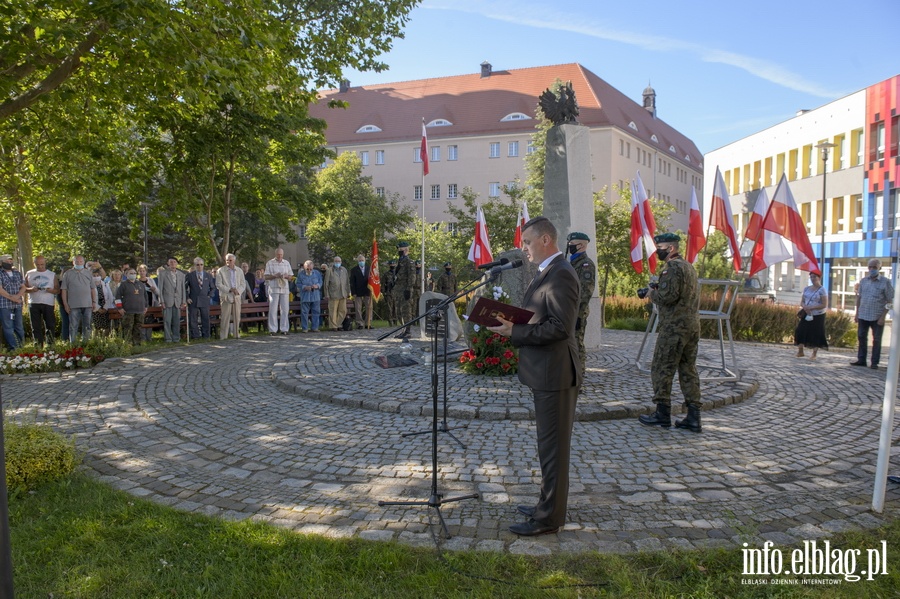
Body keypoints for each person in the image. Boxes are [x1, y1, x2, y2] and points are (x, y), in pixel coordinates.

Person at [487, 216, 581, 536]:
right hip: (545, 373)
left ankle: (548, 519)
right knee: (547, 448)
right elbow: (542, 316)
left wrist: (516, 330)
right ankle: (547, 504)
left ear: (545, 240)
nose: (523, 248)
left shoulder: (562, 274)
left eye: (526, 242)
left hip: (555, 375)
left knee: (553, 450)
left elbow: (559, 327)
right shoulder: (548, 271)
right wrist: (512, 322)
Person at [638, 232, 702, 433]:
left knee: (661, 368)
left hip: (674, 327)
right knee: (688, 370)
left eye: (661, 248)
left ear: (671, 248)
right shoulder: (688, 266)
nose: (658, 251)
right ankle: (693, 417)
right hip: (691, 326)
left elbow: (668, 297)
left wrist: (650, 293)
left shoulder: (672, 268)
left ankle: (662, 413)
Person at [851, 258, 894, 369]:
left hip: (877, 316)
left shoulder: (886, 282)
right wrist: (857, 313)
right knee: (861, 337)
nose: (872, 269)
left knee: (877, 340)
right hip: (863, 314)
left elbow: (890, 301)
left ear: (879, 267)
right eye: (870, 267)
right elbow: (859, 298)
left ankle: (874, 362)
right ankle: (861, 360)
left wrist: (883, 316)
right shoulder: (864, 281)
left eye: (874, 267)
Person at [566, 231, 596, 376]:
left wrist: (576, 315)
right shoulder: (572, 263)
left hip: (576, 313)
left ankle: (578, 379)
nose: (569, 247)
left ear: (582, 245)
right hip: (568, 312)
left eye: (572, 244)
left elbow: (585, 294)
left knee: (577, 346)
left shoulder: (586, 265)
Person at [61, 255, 97, 344]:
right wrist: (65, 304)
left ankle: (86, 344)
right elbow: (64, 290)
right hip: (73, 305)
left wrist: (94, 302)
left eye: (81, 262)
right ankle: (73, 345)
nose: (79, 263)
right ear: (73, 262)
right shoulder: (68, 274)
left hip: (87, 304)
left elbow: (93, 289)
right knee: (73, 326)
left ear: (84, 262)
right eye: (77, 262)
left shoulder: (88, 273)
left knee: (87, 326)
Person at [24, 255, 59, 345]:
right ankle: (38, 345)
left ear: (45, 263)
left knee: (50, 325)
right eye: (38, 264)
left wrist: (50, 290)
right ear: (34, 263)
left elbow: (57, 290)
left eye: (42, 264)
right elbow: (24, 289)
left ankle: (50, 345)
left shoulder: (51, 274)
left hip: (48, 303)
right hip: (34, 302)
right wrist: (31, 289)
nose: (40, 266)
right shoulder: (29, 273)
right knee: (35, 326)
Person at [794, 272, 828, 360]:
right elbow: (802, 301)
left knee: (816, 333)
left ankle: (814, 353)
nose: (813, 279)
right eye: (811, 277)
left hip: (818, 314)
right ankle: (800, 350)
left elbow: (824, 304)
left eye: (815, 277)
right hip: (807, 313)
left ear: (819, 278)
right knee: (800, 330)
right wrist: (805, 306)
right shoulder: (807, 289)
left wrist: (812, 307)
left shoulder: (822, 290)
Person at [216, 253, 247, 340]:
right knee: (225, 317)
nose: (228, 262)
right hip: (226, 296)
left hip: (236, 296)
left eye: (230, 260)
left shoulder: (239, 271)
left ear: (234, 261)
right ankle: (223, 336)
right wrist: (229, 289)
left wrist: (238, 291)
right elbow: (218, 284)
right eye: (227, 260)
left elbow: (243, 284)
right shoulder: (220, 271)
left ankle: (236, 334)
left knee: (237, 316)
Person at [264, 248, 293, 335]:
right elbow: (266, 277)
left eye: (281, 255)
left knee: (285, 309)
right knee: (273, 309)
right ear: (275, 254)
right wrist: (274, 276)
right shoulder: (270, 263)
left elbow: (291, 277)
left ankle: (284, 329)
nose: (279, 256)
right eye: (278, 255)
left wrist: (286, 276)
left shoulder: (286, 263)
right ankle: (273, 330)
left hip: (284, 289)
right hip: (274, 289)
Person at [157, 257, 187, 343]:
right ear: (168, 263)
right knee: (167, 321)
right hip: (167, 301)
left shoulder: (181, 274)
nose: (173, 263)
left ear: (177, 263)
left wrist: (183, 301)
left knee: (176, 321)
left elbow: (183, 289)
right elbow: (160, 289)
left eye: (174, 262)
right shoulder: (162, 274)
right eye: (171, 262)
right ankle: (168, 338)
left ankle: (176, 338)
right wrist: (161, 301)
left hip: (177, 301)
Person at [0, 253, 26, 349]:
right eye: (7, 261)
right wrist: (12, 298)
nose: (9, 262)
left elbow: (23, 287)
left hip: (18, 305)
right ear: (1, 262)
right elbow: (0, 290)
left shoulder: (17, 273)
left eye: (10, 260)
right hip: (5, 305)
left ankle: (21, 347)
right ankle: (14, 348)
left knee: (19, 327)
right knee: (8, 328)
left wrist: (18, 296)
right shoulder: (0, 273)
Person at [115, 268, 148, 345]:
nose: (133, 275)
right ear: (126, 275)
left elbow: (145, 296)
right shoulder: (123, 284)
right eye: (130, 273)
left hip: (140, 310)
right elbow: (117, 297)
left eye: (134, 273)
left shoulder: (140, 284)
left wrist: (146, 306)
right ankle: (127, 344)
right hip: (128, 311)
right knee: (128, 328)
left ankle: (137, 343)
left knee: (138, 328)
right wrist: (120, 308)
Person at [186, 257, 215, 339]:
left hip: (204, 299)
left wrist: (209, 295)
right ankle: (195, 336)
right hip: (193, 300)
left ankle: (206, 335)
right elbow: (185, 288)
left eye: (201, 265)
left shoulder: (208, 275)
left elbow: (213, 287)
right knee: (193, 319)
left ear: (203, 265)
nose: (199, 266)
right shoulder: (190, 275)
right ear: (195, 266)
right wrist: (187, 297)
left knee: (205, 318)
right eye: (197, 265)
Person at [391, 242, 415, 338]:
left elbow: (412, 277)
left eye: (400, 249)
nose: (398, 251)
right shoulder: (400, 262)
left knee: (406, 311)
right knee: (399, 311)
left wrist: (408, 289)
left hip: (405, 290)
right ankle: (403, 330)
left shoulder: (409, 262)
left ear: (405, 250)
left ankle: (408, 331)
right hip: (398, 290)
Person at [324, 256, 350, 331]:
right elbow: (326, 284)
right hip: (333, 294)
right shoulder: (329, 270)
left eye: (339, 261)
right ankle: (333, 326)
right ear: (333, 262)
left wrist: (348, 292)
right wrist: (327, 294)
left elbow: (347, 282)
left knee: (343, 310)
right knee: (333, 310)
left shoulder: (344, 270)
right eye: (336, 261)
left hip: (343, 293)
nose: (337, 263)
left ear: (341, 262)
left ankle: (338, 324)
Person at [297, 260, 322, 332]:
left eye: (310, 269)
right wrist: (304, 287)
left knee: (316, 312)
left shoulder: (317, 273)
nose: (309, 270)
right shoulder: (300, 274)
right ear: (304, 268)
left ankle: (315, 327)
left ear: (313, 267)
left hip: (315, 295)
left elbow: (320, 282)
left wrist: (317, 286)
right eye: (307, 269)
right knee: (304, 312)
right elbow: (298, 283)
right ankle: (305, 328)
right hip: (305, 296)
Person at [349, 254, 373, 329]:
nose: (361, 262)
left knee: (369, 307)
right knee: (358, 308)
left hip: (367, 290)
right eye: (360, 260)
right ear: (358, 261)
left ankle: (368, 323)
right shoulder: (354, 270)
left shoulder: (369, 268)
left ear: (365, 261)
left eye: (362, 260)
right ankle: (359, 323)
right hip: (357, 291)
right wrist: (353, 293)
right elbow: (352, 282)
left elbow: (372, 279)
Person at [136, 264, 159, 342]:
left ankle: (149, 337)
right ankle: (143, 338)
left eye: (143, 271)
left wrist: (154, 289)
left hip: (150, 302)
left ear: (146, 272)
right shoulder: (136, 281)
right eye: (140, 271)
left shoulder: (150, 280)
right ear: (138, 272)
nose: (142, 273)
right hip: (140, 304)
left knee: (149, 320)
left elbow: (157, 292)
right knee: (141, 321)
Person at [91, 267, 115, 335]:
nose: (96, 277)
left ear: (100, 276)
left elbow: (110, 297)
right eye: (94, 276)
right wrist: (98, 308)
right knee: (96, 327)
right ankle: (96, 341)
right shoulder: (89, 285)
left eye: (97, 275)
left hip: (105, 308)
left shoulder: (105, 284)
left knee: (106, 326)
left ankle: (105, 341)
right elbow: (89, 298)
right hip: (95, 308)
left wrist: (105, 308)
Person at [384, 259, 398, 326]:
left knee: (395, 308)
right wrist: (384, 292)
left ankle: (395, 320)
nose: (392, 265)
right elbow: (383, 284)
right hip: (389, 293)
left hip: (396, 293)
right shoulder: (386, 274)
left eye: (393, 264)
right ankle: (390, 321)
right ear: (389, 265)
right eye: (391, 264)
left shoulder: (398, 274)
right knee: (389, 308)